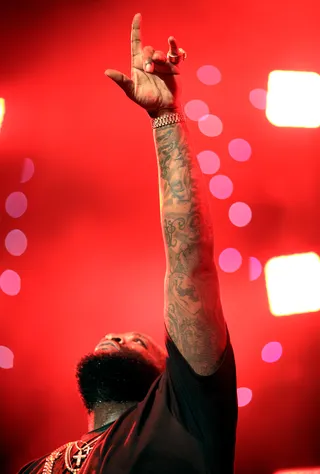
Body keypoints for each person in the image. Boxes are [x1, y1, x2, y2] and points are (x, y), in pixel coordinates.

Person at [18, 13, 238, 474]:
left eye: (140, 340)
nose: (119, 335)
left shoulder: (183, 410)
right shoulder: (35, 467)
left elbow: (189, 261)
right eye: (122, 337)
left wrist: (165, 118)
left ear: (171, 369)